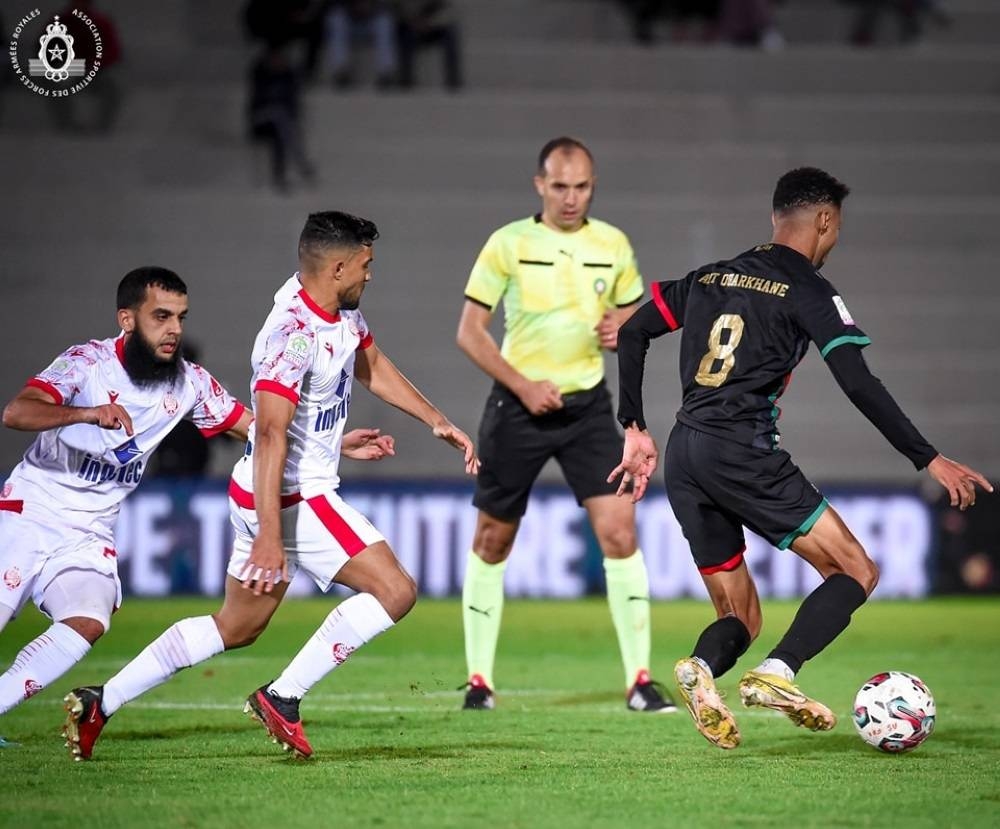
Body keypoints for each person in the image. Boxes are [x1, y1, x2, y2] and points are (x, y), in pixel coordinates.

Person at [63, 211, 479, 761]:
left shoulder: (339, 314)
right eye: (365, 265)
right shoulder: (290, 337)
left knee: (236, 627)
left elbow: (370, 364)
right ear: (336, 268)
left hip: (270, 491)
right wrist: (268, 533)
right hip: (290, 497)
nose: (370, 275)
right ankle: (282, 697)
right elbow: (273, 432)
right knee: (396, 590)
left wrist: (433, 419)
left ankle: (100, 701)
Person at [609, 167, 993, 749]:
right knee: (856, 570)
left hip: (685, 454)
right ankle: (779, 672)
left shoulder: (709, 276)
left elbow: (633, 331)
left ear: (773, 217)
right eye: (834, 229)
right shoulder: (808, 289)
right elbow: (859, 384)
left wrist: (634, 426)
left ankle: (702, 669)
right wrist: (928, 458)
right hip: (743, 450)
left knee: (740, 615)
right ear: (823, 220)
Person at [456, 136, 677, 713]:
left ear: (592, 185)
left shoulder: (613, 244)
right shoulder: (509, 242)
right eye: (560, 186)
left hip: (586, 408)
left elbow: (636, 313)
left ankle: (640, 682)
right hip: (517, 407)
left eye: (581, 186)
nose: (571, 197)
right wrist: (524, 385)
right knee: (492, 541)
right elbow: (469, 332)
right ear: (540, 185)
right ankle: (479, 681)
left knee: (620, 534)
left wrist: (623, 325)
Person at [0, 267, 251, 737]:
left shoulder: (189, 384)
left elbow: (255, 427)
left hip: (89, 532)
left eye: (180, 316)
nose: (175, 328)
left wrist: (333, 447)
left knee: (88, 620)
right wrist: (87, 413)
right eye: (161, 316)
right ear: (127, 319)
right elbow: (17, 411)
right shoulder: (85, 364)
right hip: (31, 512)